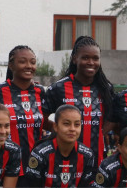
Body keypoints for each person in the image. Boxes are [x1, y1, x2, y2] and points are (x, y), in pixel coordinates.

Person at [0, 45, 49, 183]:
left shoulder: (40, 91)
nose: (29, 66)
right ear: (11, 65)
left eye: (32, 62)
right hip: (5, 165)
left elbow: (45, 122)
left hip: (36, 166)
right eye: (22, 62)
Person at [47, 36, 114, 165]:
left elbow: (113, 118)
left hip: (97, 158)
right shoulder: (58, 88)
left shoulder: (105, 88)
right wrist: (60, 131)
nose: (91, 62)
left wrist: (100, 132)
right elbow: (42, 118)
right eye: (85, 58)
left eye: (95, 58)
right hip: (65, 158)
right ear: (74, 59)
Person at [25, 105, 96, 188]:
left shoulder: (87, 155)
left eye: (77, 124)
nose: (72, 129)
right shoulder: (40, 154)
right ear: (55, 126)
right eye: (66, 124)